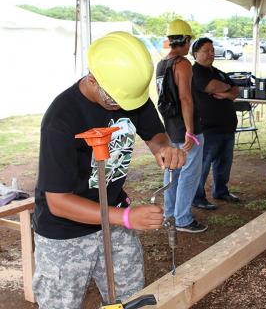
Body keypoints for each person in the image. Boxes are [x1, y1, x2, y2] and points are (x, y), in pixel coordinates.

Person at [32, 32, 186, 309]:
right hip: (65, 233)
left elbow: (155, 135)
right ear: (92, 79)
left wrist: (164, 148)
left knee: (130, 300)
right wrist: (126, 217)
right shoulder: (61, 119)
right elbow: (58, 201)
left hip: (114, 222)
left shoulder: (126, 95)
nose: (122, 107)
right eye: (115, 100)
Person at [157, 19, 207, 233]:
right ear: (186, 40)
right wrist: (190, 130)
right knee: (188, 173)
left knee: (172, 172)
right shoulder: (183, 63)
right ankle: (183, 219)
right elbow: (185, 98)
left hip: (169, 128)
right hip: (185, 128)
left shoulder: (162, 63)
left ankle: (170, 215)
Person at [191, 37, 240, 210]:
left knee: (224, 163)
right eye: (206, 50)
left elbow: (236, 90)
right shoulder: (195, 72)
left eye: (212, 50)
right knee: (202, 166)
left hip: (227, 127)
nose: (211, 54)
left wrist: (227, 92)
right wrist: (227, 89)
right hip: (207, 129)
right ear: (195, 53)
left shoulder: (218, 71)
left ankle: (221, 191)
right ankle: (197, 197)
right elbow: (212, 87)